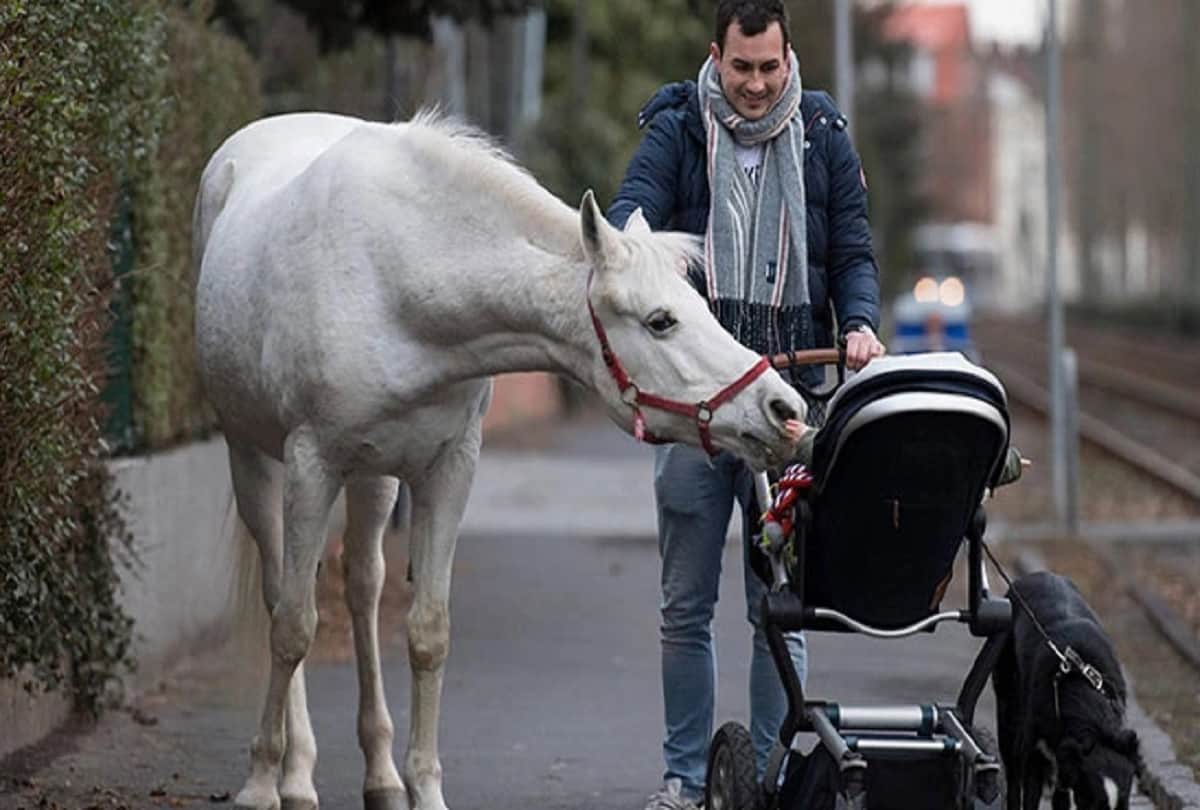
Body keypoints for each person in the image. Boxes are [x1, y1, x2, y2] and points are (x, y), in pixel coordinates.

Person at [606, 2, 885, 807]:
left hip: (791, 406)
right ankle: (685, 782)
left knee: (784, 609)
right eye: (741, 68)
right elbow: (637, 211)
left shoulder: (823, 135)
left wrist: (859, 323)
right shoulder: (678, 127)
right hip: (698, 410)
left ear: (788, 57)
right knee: (685, 607)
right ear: (716, 58)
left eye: (770, 67)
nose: (757, 85)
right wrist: (627, 239)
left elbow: (854, 250)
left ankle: (772, 780)